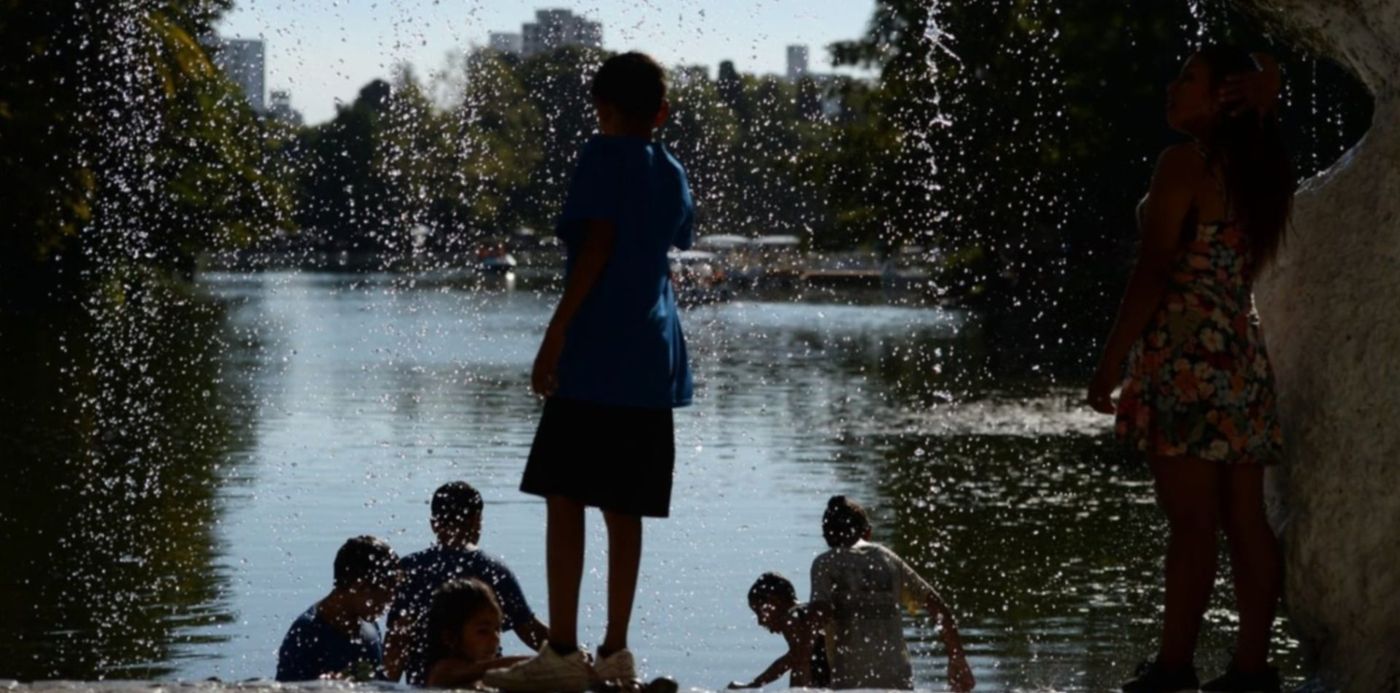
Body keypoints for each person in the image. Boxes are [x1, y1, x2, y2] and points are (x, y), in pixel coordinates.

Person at [483, 51, 695, 692]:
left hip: (597, 350)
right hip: (653, 358)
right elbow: (673, 239)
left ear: (601, 108)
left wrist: (555, 334)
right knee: (624, 507)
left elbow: (597, 246)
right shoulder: (671, 169)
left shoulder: (601, 157)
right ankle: (617, 652)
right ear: (660, 112)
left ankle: (563, 654)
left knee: (565, 496)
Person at [1087, 47, 1290, 693]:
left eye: (1188, 79)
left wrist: (1110, 362)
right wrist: (1267, 86)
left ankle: (1174, 667)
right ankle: (1252, 670)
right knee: (1246, 519)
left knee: (1193, 523)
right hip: (1240, 353)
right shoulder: (1260, 165)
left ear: (1224, 95)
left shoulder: (1184, 164)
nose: (1172, 87)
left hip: (1185, 359)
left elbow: (1153, 272)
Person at [384, 481, 548, 685]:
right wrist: (567, 653)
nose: (494, 637)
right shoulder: (493, 570)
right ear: (477, 521)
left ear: (434, 523)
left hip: (422, 685)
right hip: (484, 681)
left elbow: (398, 640)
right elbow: (530, 631)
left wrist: (386, 685)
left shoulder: (410, 569)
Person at [809, 496, 974, 691]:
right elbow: (938, 608)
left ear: (827, 536)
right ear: (868, 532)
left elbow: (818, 617)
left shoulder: (825, 564)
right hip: (898, 682)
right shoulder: (887, 559)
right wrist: (957, 659)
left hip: (849, 684)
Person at [276, 535, 400, 682]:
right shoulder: (306, 635)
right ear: (359, 587)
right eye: (386, 593)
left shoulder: (369, 628)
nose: (391, 601)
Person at [727, 572, 830, 689]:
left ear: (775, 601)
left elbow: (795, 658)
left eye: (760, 612)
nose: (760, 621)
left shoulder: (792, 617)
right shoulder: (806, 612)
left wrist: (754, 685)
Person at [422, 578, 531, 688]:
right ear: (450, 637)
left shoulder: (481, 678)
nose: (495, 638)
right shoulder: (443, 671)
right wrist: (535, 663)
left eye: (497, 629)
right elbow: (485, 669)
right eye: (483, 631)